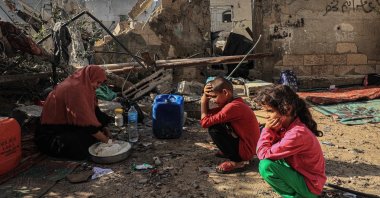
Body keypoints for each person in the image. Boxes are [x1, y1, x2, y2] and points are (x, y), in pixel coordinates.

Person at [255, 85, 326, 198]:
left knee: (266, 166)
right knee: (273, 161)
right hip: (304, 177)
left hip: (311, 187)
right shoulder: (289, 125)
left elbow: (262, 154)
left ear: (287, 109)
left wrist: (267, 130)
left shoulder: (297, 133)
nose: (267, 116)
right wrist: (272, 132)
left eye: (270, 111)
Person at [35, 65, 112, 160]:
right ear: (90, 77)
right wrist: (106, 141)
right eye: (97, 82)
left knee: (93, 137)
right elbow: (86, 123)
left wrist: (103, 127)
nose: (98, 86)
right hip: (51, 133)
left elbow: (94, 111)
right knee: (80, 144)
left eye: (100, 83)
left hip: (66, 126)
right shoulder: (75, 89)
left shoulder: (86, 88)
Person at [200, 76, 260, 174]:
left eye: (214, 96)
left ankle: (238, 162)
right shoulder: (234, 102)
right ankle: (230, 152)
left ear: (225, 93)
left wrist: (203, 101)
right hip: (246, 146)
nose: (213, 100)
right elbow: (210, 115)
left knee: (214, 129)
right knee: (216, 124)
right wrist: (206, 96)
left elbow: (205, 122)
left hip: (246, 150)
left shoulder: (233, 107)